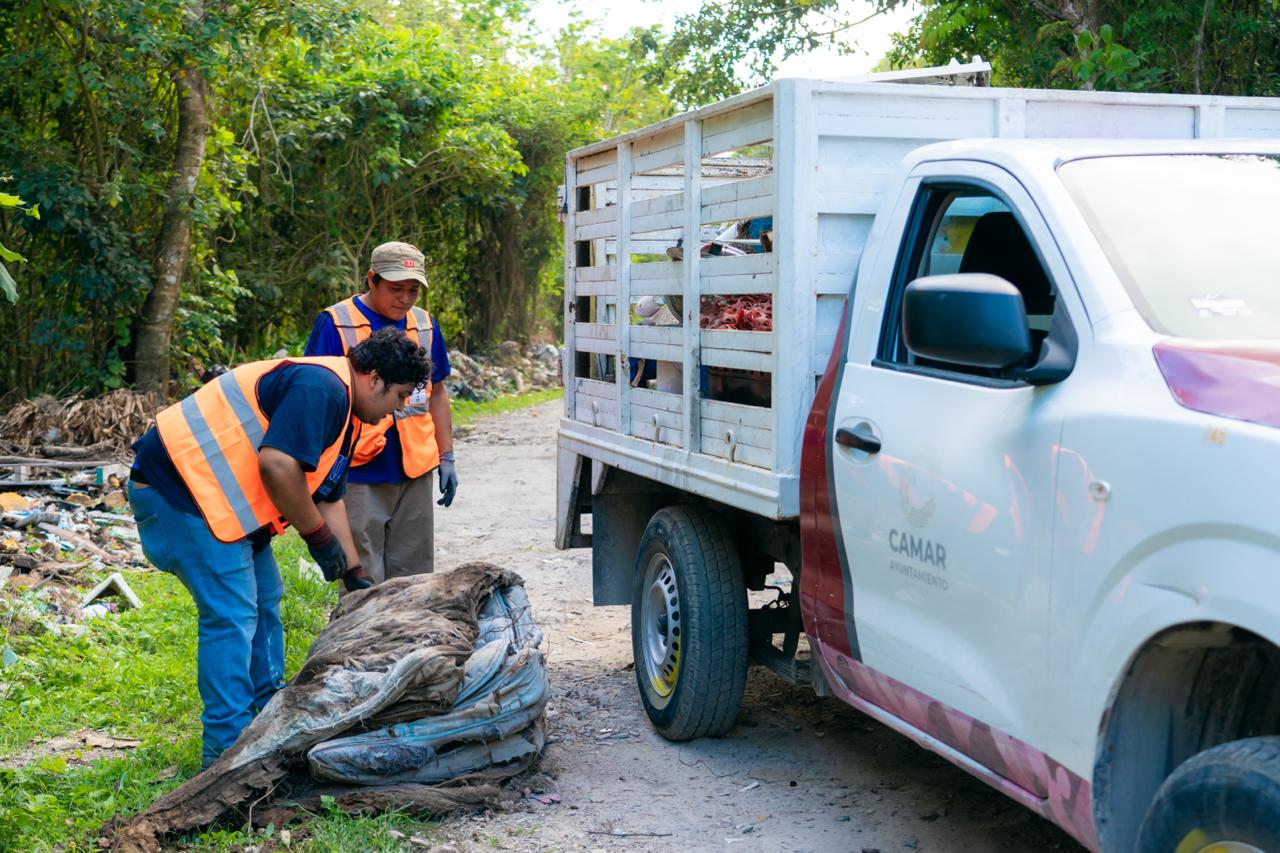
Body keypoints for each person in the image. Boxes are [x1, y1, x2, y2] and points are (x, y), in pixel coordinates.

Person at [128, 328, 432, 768]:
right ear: (374, 378)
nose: (400, 407)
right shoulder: (322, 387)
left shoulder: (346, 409)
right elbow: (277, 465)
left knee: (266, 598)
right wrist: (317, 538)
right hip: (177, 493)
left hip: (217, 502)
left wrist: (354, 572)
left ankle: (270, 715)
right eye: (400, 395)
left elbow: (328, 495)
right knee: (232, 614)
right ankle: (226, 753)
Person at [304, 241, 456, 582]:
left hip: (415, 469)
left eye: (413, 290)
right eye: (395, 289)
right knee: (363, 578)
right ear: (372, 280)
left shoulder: (425, 325)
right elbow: (316, 397)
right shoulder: (336, 323)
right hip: (358, 471)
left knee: (415, 578)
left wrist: (446, 455)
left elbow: (437, 392)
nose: (405, 299)